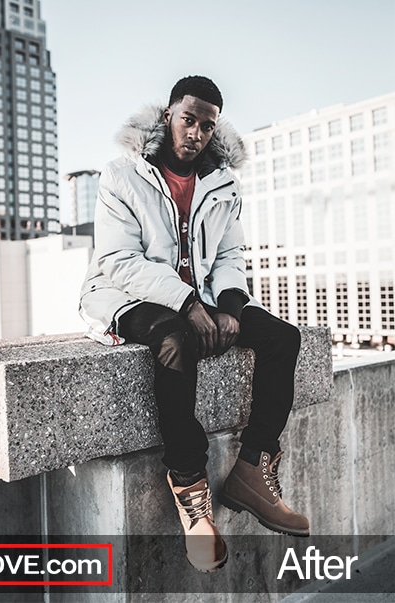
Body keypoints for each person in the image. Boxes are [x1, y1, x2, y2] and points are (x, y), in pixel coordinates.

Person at [79, 75, 309, 572]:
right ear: (169, 116)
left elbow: (230, 252)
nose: (197, 133)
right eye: (189, 119)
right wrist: (188, 304)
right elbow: (119, 260)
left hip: (203, 298)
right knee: (173, 340)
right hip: (127, 295)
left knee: (281, 337)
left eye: (207, 125)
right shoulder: (123, 174)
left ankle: (252, 469)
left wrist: (227, 303)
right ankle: (190, 491)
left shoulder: (223, 181)